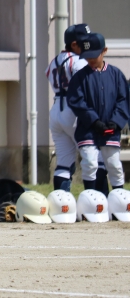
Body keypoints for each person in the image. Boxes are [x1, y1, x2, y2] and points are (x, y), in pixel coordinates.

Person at [67, 32, 128, 192]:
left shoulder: (116, 75)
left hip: (110, 130)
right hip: (88, 130)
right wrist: (94, 121)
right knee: (90, 163)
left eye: (94, 55)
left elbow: (123, 100)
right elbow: (76, 101)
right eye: (87, 56)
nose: (91, 60)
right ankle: (91, 197)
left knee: (114, 165)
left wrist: (115, 121)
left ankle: (119, 198)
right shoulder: (80, 77)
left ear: (104, 51)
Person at [45, 24, 91, 192]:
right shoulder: (79, 61)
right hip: (73, 110)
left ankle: (61, 202)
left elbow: (48, 74)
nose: (88, 45)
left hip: (57, 108)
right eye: (84, 42)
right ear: (74, 44)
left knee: (64, 163)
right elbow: (85, 86)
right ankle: (95, 200)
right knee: (93, 157)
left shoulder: (54, 61)